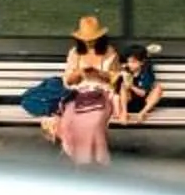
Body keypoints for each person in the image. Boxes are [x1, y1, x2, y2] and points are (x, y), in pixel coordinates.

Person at [51, 14, 120, 165]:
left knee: (94, 120)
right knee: (69, 119)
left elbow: (115, 79)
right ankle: (78, 157)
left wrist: (100, 74)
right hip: (78, 94)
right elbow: (67, 80)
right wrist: (80, 73)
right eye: (86, 40)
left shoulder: (109, 52)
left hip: (102, 94)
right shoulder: (75, 54)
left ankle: (94, 159)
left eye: (93, 40)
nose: (89, 43)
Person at [117, 41, 164, 126]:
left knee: (158, 88)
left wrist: (131, 86)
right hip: (129, 104)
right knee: (123, 86)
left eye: (133, 62)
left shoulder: (146, 73)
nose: (130, 64)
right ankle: (124, 113)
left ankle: (142, 113)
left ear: (141, 62)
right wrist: (122, 75)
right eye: (128, 62)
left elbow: (143, 93)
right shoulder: (126, 72)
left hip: (144, 104)